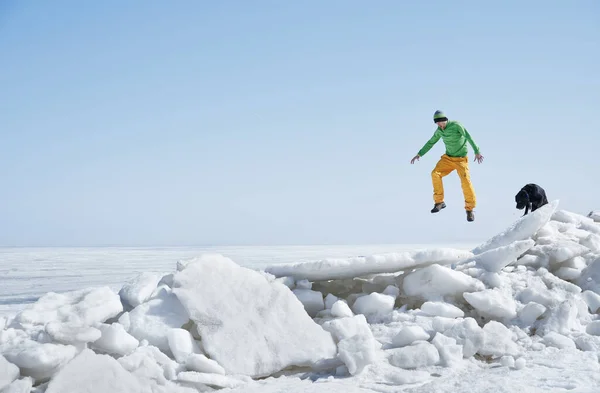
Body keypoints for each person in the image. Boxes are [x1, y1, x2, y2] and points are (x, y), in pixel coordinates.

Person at [410, 110, 484, 222]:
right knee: (435, 174)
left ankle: (469, 209)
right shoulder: (439, 131)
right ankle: (439, 202)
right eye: (437, 124)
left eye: (441, 123)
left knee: (466, 182)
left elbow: (468, 136)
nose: (440, 125)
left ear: (445, 120)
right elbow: (431, 142)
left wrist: (476, 151)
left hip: (461, 160)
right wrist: (419, 154)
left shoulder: (456, 125)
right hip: (448, 159)